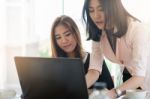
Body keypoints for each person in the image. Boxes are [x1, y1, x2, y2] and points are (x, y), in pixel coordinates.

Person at [82, 0, 150, 98]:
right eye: (91, 10)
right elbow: (94, 70)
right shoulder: (99, 33)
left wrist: (113, 93)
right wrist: (76, 90)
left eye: (101, 9)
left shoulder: (137, 29)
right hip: (131, 87)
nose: (96, 16)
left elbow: (139, 76)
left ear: (113, 7)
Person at [50, 15, 114, 89]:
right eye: (58, 37)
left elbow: (110, 91)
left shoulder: (95, 60)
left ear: (76, 33)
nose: (64, 41)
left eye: (67, 34)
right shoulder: (53, 65)